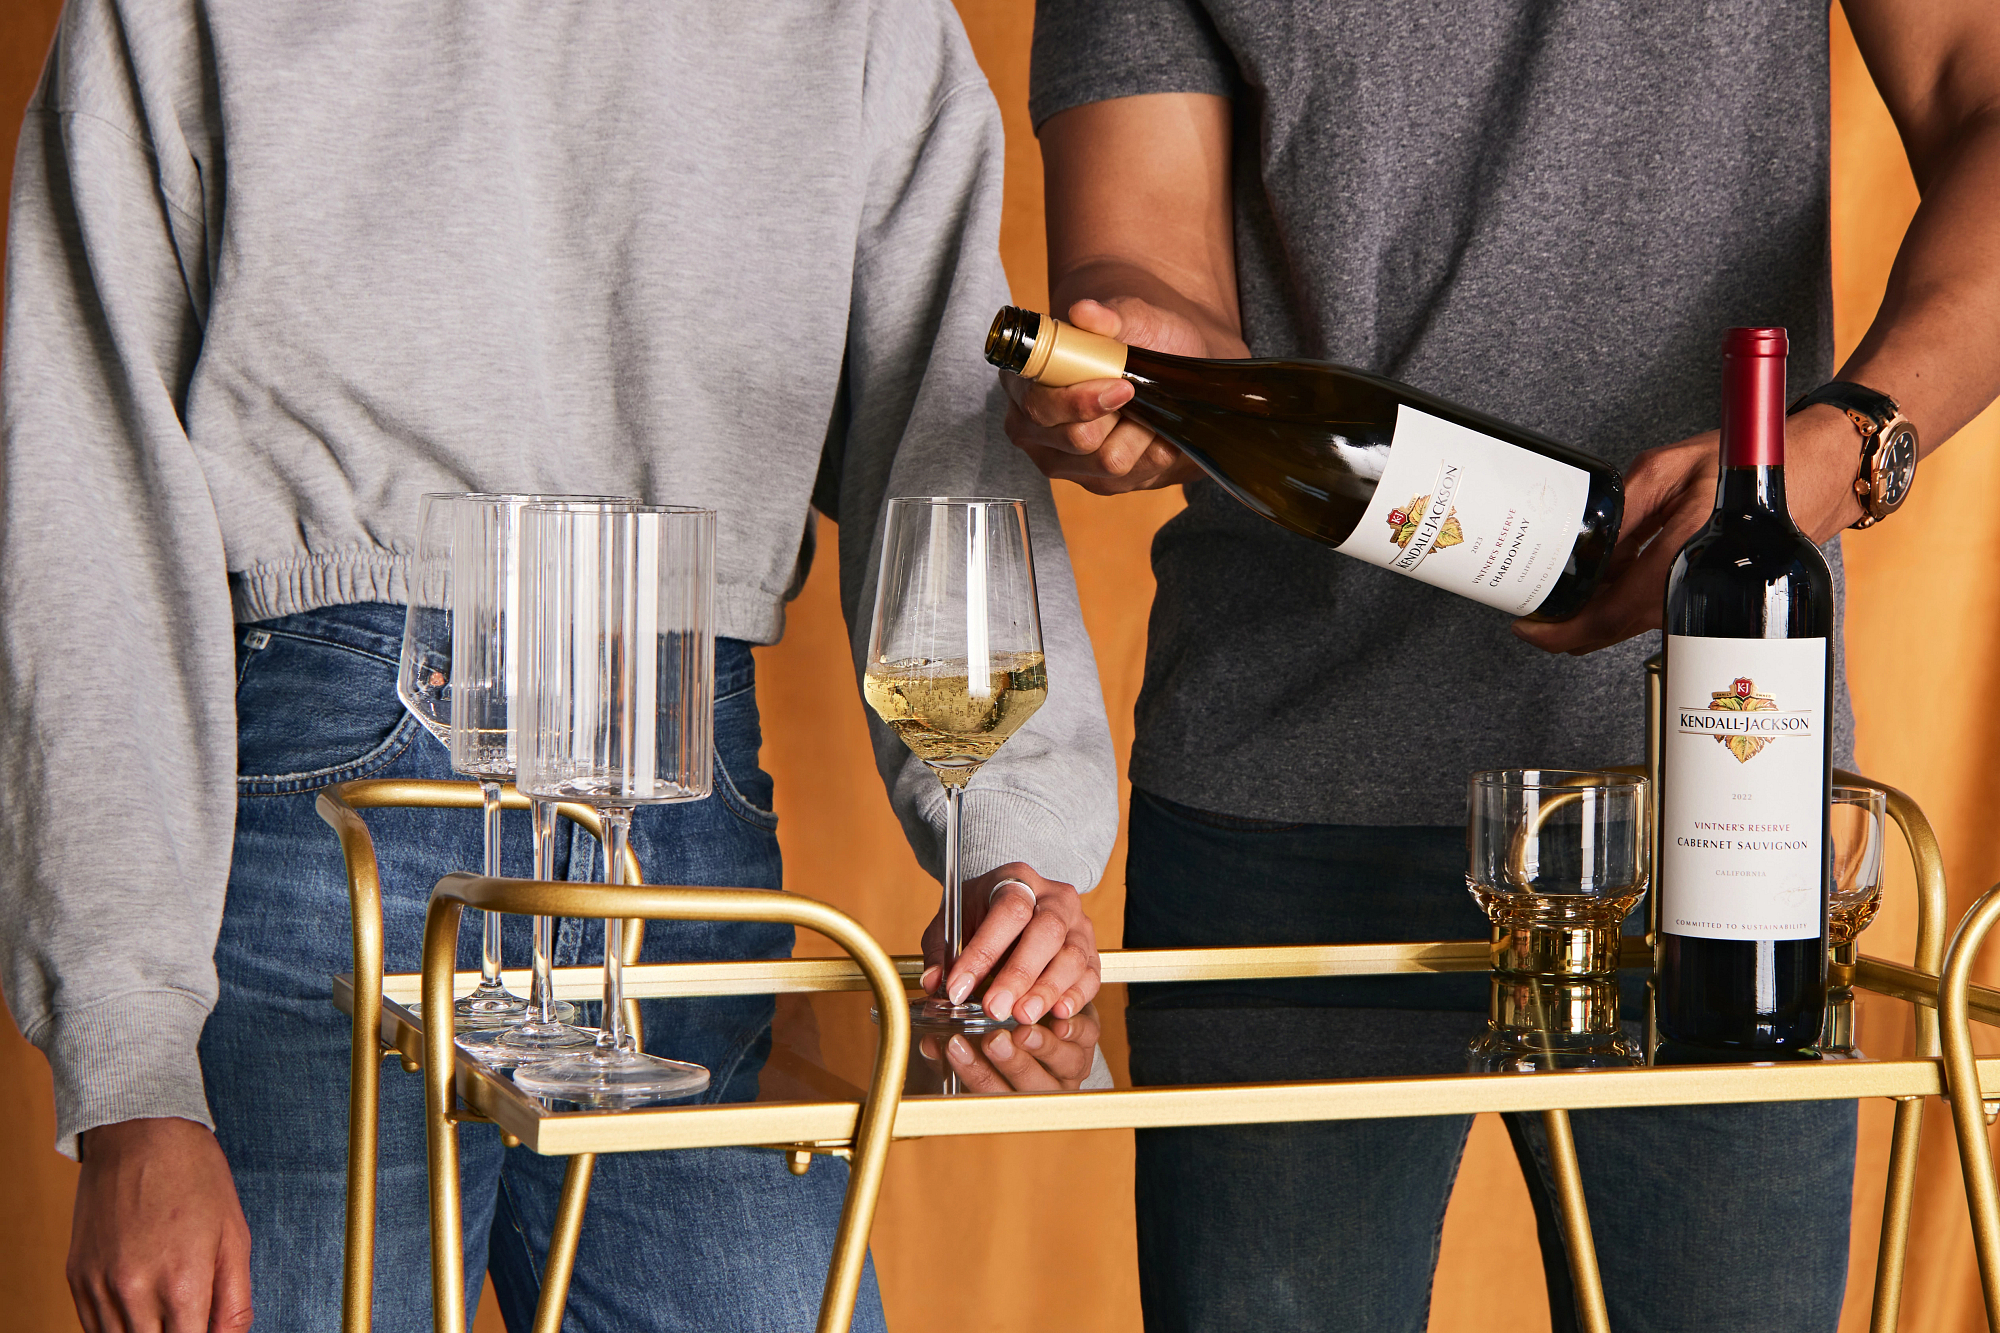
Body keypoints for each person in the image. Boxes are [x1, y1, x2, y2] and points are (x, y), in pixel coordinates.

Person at [0, 1, 1119, 1329]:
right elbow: (87, 493)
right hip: (330, 827)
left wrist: (1006, 847)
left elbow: (942, 421)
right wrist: (132, 1080)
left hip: (681, 821)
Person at [1005, 1, 2000, 1330]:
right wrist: (1142, 377)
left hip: (1719, 788)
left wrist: (1856, 435)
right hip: (1286, 795)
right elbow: (1153, 262)